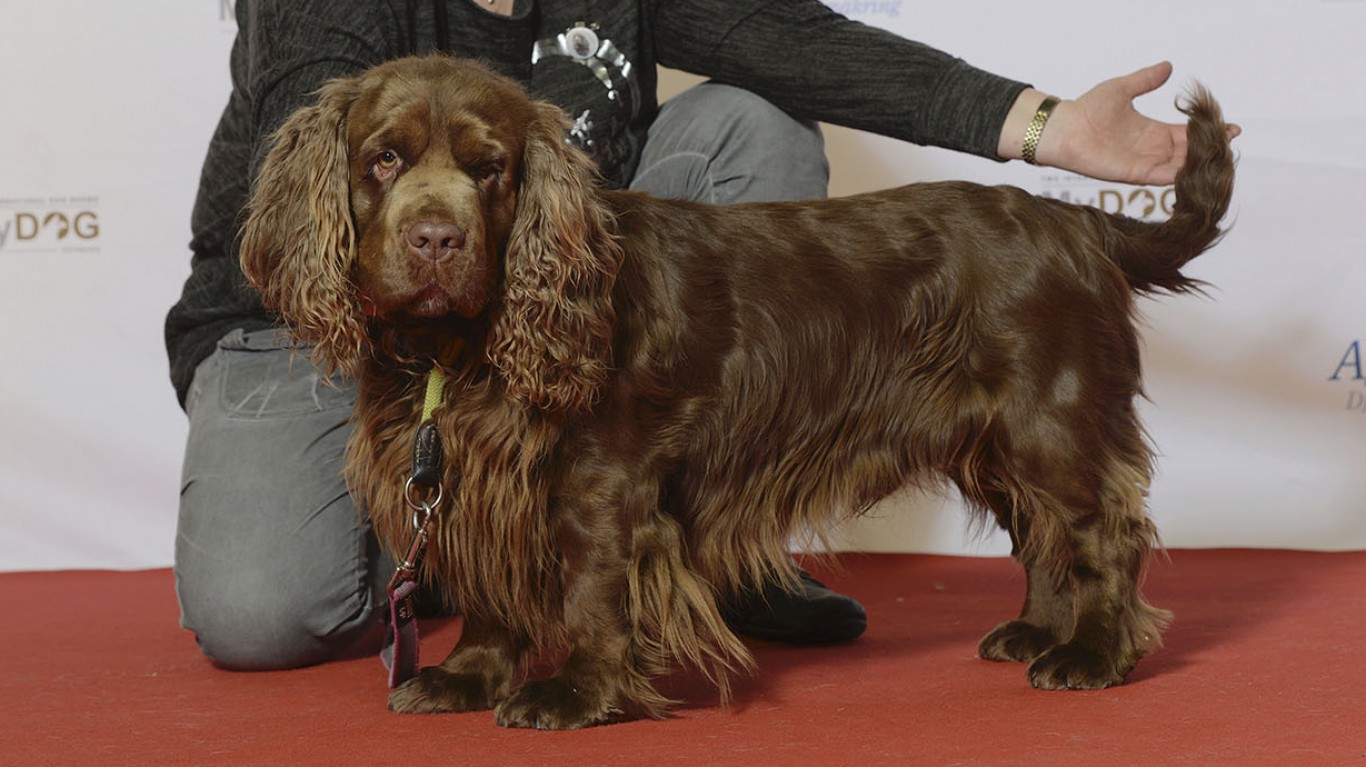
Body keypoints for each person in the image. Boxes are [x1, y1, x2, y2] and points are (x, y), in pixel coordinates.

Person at [165, 0, 1217, 671]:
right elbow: (304, 155)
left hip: (545, 293)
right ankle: (473, 550)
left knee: (755, 115)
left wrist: (1047, 126)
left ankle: (706, 522)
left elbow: (801, 43)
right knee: (263, 612)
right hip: (320, 320)